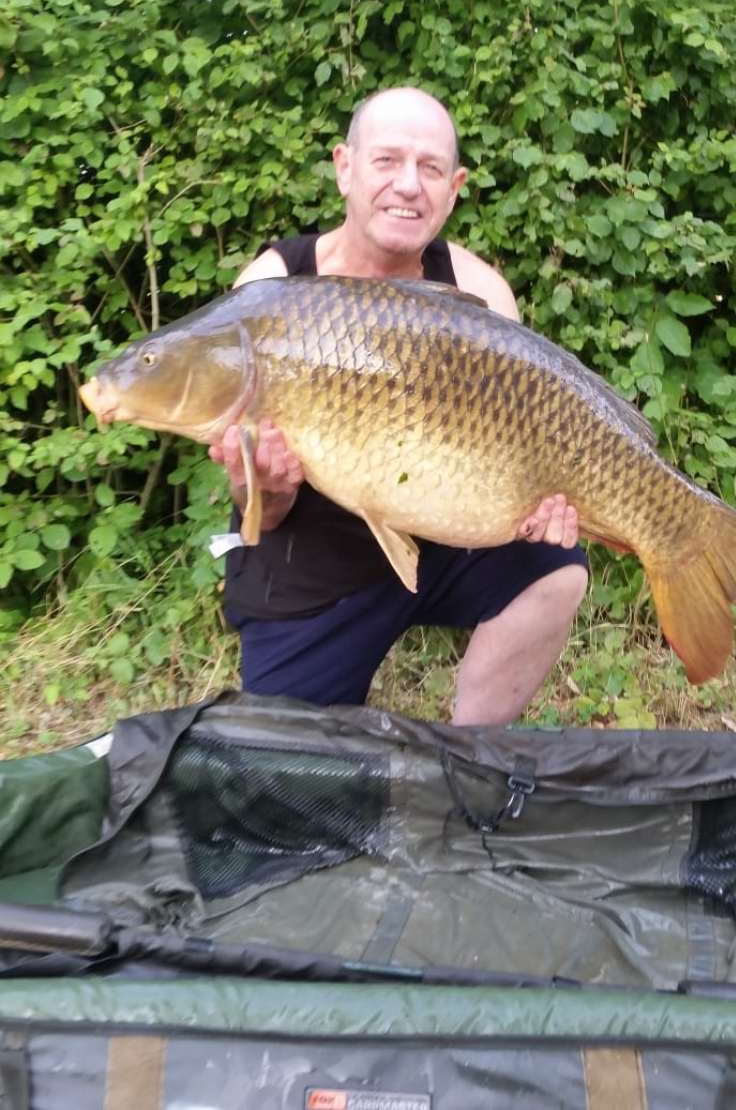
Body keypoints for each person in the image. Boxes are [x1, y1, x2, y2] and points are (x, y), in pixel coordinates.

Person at [210, 86, 589, 724]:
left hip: (443, 535)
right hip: (309, 564)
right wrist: (266, 488)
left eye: (430, 168)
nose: (408, 185)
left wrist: (533, 506)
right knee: (283, 774)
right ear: (345, 167)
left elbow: (518, 460)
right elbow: (259, 515)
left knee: (557, 566)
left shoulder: (480, 293)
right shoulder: (269, 295)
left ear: (454, 186)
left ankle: (471, 756)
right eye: (386, 161)